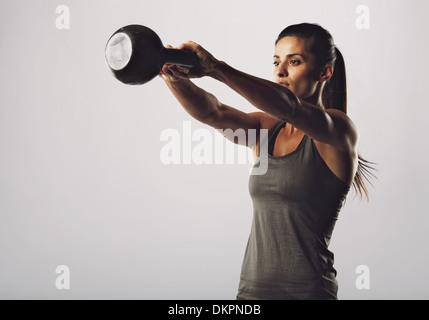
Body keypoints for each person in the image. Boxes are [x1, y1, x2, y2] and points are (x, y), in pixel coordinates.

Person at [158, 23, 376, 300]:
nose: (280, 71)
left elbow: (289, 107)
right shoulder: (266, 128)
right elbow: (212, 111)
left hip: (309, 293)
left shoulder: (339, 130)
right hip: (251, 294)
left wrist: (216, 68)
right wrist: (171, 75)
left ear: (325, 72)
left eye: (294, 61)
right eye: (276, 61)